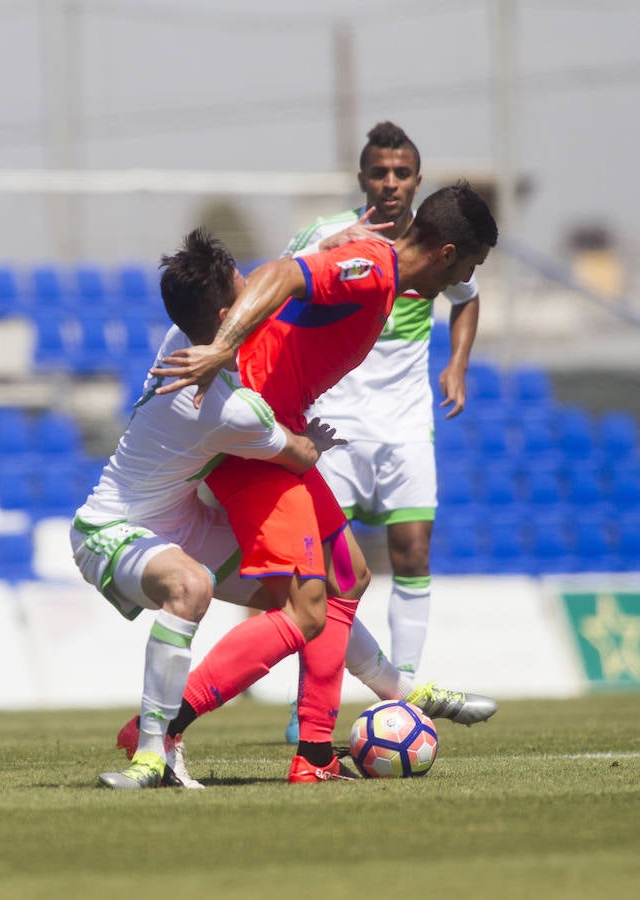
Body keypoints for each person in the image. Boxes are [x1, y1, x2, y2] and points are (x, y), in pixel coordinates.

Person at [141, 182, 498, 784]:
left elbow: (308, 277)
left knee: (349, 576)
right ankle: (161, 727)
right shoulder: (373, 270)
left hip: (279, 432)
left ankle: (313, 756)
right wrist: (221, 351)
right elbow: (283, 274)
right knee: (306, 607)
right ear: (447, 253)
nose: (465, 277)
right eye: (469, 264)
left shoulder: (381, 272)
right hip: (254, 442)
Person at [70, 230, 345, 789]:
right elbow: (298, 456)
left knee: (303, 597)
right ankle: (153, 754)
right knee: (190, 586)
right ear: (227, 313)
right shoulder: (228, 409)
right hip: (110, 529)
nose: (254, 290)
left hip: (181, 521)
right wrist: (308, 439)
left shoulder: (181, 335)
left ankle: (391, 695)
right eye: (245, 285)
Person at [287, 122, 482, 690]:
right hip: (333, 427)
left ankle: (407, 693)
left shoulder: (435, 251)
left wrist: (458, 363)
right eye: (379, 172)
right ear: (362, 178)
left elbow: (468, 298)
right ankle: (313, 698)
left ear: (418, 181)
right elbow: (279, 286)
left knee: (413, 552)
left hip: (404, 427)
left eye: (401, 173)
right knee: (323, 571)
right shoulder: (329, 234)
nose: (390, 183)